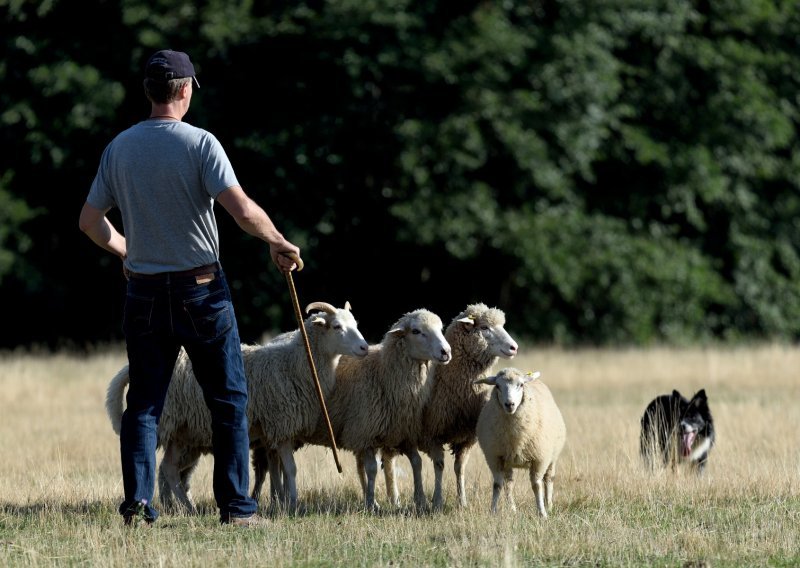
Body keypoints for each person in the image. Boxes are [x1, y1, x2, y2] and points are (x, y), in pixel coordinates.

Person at [78, 49, 301, 527]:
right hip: (201, 291)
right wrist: (278, 241)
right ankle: (238, 509)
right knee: (228, 398)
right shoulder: (201, 144)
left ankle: (138, 508)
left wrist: (126, 250)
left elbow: (90, 221)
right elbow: (241, 209)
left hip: (142, 292)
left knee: (143, 404)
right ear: (185, 90)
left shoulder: (119, 147)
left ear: (148, 91)